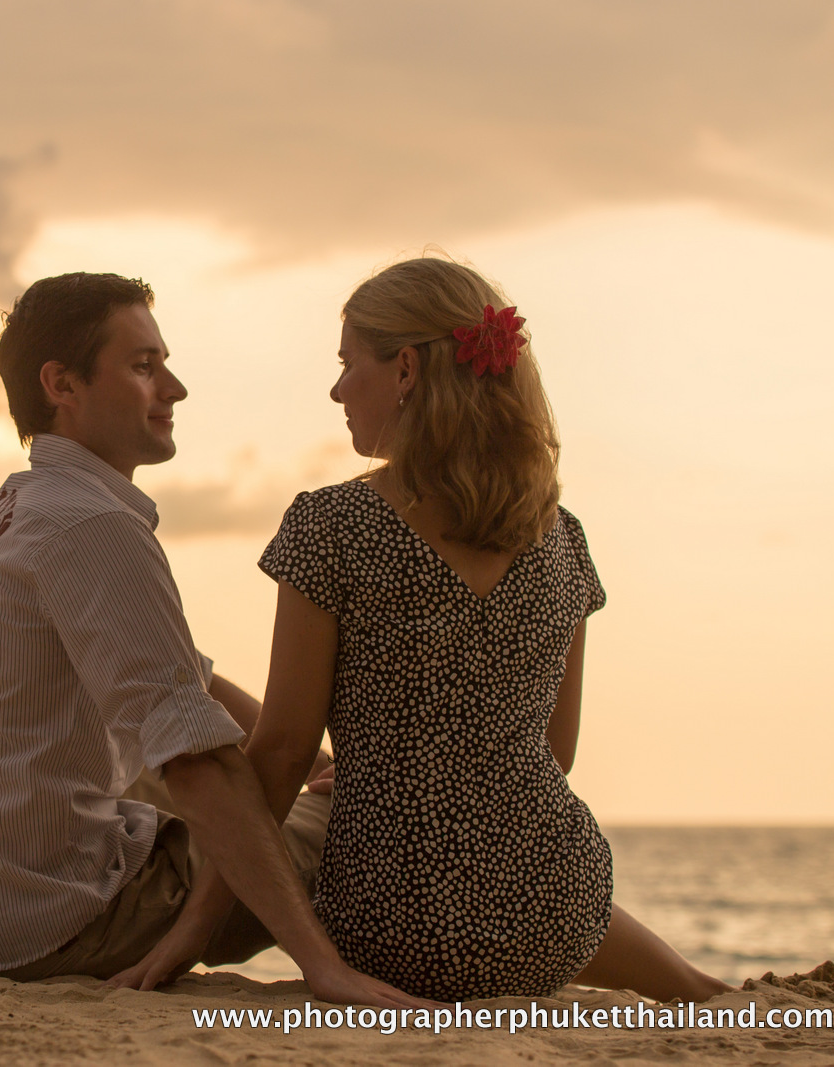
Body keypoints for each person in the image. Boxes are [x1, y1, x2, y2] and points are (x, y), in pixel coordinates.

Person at [113, 257, 731, 1004]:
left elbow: (279, 759)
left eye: (348, 364)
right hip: (556, 912)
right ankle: (704, 988)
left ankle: (698, 985)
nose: (338, 389)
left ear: (405, 368)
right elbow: (551, 758)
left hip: (392, 927)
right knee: (540, 872)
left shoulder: (332, 526)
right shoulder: (563, 536)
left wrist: (195, 932)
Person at [0, 272, 427, 1009]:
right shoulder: (92, 526)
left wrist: (319, 759)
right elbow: (198, 765)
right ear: (62, 384)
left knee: (216, 768)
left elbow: (185, 680)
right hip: (51, 925)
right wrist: (320, 965)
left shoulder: (16, 510)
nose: (174, 387)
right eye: (144, 366)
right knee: (370, 807)